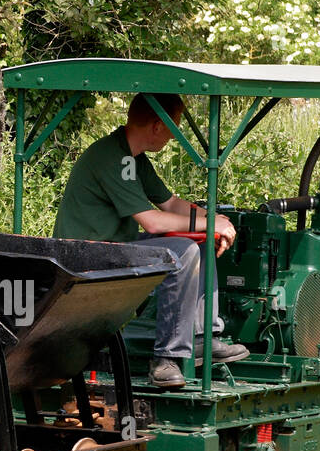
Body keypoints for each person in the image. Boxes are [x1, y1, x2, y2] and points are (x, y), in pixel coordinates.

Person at [52, 92, 250, 387]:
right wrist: (210, 224)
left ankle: (201, 338)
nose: (174, 135)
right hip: (86, 256)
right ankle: (165, 359)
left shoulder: (133, 159)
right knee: (183, 250)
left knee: (200, 243)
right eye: (174, 126)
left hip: (114, 247)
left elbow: (170, 204)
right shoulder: (112, 157)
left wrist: (215, 222)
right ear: (158, 125)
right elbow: (153, 221)